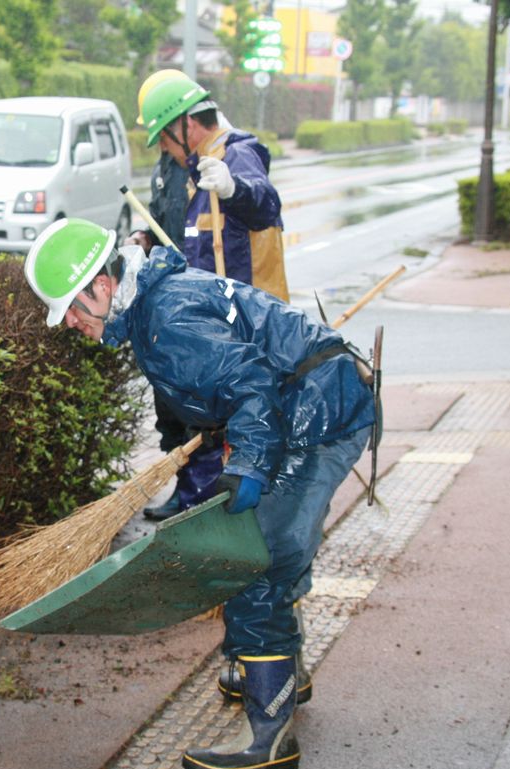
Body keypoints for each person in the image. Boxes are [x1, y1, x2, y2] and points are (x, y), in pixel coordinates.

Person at [23, 217, 376, 769]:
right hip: (309, 403)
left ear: (103, 286)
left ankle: (268, 739)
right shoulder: (155, 306)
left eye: (71, 307)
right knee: (268, 549)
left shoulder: (166, 320)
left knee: (256, 562)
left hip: (318, 414)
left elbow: (252, 383)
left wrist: (250, 464)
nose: (71, 323)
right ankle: (282, 675)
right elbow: (238, 373)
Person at [130, 71, 289, 522]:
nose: (162, 147)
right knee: (202, 416)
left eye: (164, 136)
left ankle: (240, 517)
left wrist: (235, 188)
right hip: (211, 321)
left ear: (185, 124)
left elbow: (265, 204)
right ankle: (201, 504)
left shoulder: (238, 153)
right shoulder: (190, 165)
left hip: (247, 324)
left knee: (240, 423)